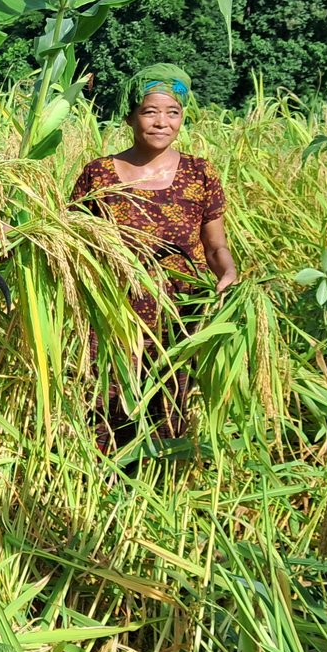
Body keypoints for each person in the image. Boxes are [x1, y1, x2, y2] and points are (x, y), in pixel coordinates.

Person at [70, 64, 238, 447]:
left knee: (170, 409)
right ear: (130, 115)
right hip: (115, 318)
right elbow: (74, 243)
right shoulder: (98, 175)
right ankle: (104, 487)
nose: (162, 122)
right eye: (150, 111)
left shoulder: (200, 173)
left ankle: (160, 487)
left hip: (180, 319)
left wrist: (227, 273)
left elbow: (215, 246)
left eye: (172, 113)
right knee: (105, 412)